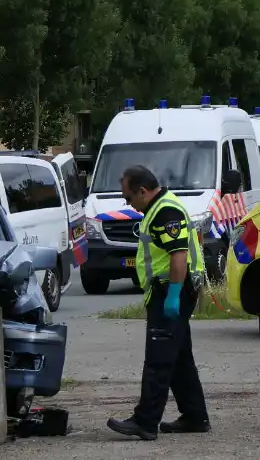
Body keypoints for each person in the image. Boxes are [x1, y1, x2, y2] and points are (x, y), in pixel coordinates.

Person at [107, 165, 211, 440]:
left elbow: (178, 257)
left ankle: (145, 422)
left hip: (170, 291)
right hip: (169, 290)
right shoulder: (159, 208)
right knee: (178, 357)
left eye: (128, 198)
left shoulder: (165, 212)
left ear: (143, 191)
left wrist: (174, 295)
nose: (128, 204)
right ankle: (194, 416)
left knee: (158, 359)